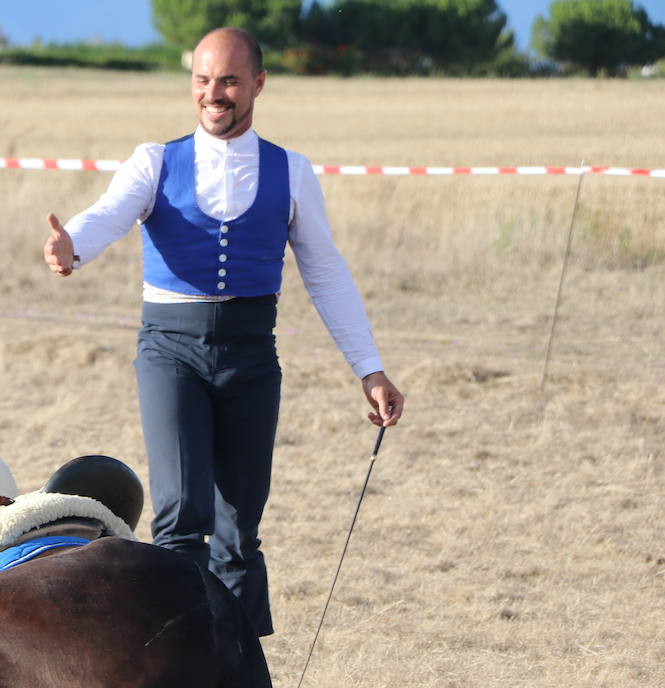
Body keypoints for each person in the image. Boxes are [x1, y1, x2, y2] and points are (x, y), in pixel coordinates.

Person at [42, 27, 403, 638]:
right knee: (182, 517)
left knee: (239, 529)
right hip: (169, 351)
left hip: (251, 355)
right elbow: (109, 213)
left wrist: (369, 368)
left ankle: (236, 676)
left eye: (230, 81)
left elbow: (325, 271)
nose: (215, 94)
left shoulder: (291, 171)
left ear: (258, 84)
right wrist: (72, 246)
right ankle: (174, 666)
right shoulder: (155, 160)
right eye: (203, 81)